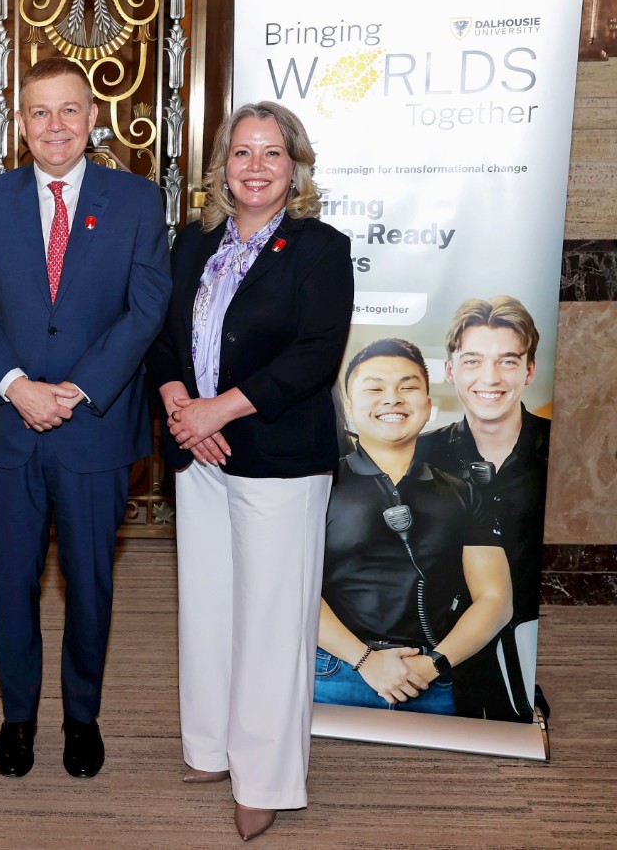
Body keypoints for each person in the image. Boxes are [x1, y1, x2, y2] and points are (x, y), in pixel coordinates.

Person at [0, 57, 172, 781]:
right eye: (40, 112)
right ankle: (18, 718)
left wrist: (75, 389)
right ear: (20, 124)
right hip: (7, 426)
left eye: (69, 110)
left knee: (90, 581)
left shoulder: (138, 201)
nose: (56, 126)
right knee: (9, 581)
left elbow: (146, 309)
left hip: (95, 427)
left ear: (92, 117)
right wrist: (18, 386)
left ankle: (83, 716)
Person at [146, 101, 353, 841]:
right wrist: (179, 403)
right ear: (221, 165)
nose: (255, 167)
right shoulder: (190, 245)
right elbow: (162, 334)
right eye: (242, 153)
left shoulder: (320, 248)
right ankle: (209, 745)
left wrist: (217, 410)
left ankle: (264, 778)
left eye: (271, 154)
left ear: (294, 166)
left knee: (270, 619)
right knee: (207, 605)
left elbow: (312, 357)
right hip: (196, 451)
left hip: (277, 455)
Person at [317, 338, 513, 720]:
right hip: (333, 671)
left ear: (428, 407)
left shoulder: (464, 493)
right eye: (374, 388)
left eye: (407, 387)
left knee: (432, 779)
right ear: (350, 409)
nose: (392, 399)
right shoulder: (317, 485)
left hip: (431, 677)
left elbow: (496, 599)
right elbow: (289, 589)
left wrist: (432, 665)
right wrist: (365, 660)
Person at [417, 296, 548, 720]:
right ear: (451, 370)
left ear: (529, 370)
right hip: (438, 661)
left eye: (508, 361)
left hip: (531, 653)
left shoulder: (561, 450)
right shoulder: (418, 454)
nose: (490, 378)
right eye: (473, 360)